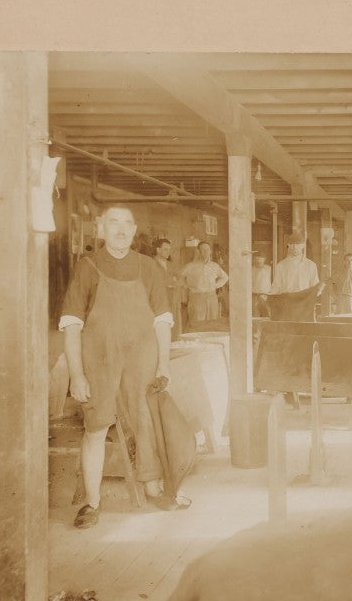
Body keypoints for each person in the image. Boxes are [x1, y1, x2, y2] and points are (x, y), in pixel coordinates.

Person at [60, 205, 186, 527]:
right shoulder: (87, 267)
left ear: (133, 231)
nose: (120, 229)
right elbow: (72, 324)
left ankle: (155, 488)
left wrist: (164, 365)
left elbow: (162, 321)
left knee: (146, 419)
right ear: (101, 229)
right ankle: (92, 502)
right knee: (96, 427)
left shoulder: (149, 268)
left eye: (126, 224)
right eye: (113, 222)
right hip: (99, 360)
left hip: (141, 359)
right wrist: (76, 374)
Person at [269, 231, 323, 321]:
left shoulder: (311, 265)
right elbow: (275, 288)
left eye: (298, 244)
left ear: (303, 246)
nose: (294, 247)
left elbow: (316, 290)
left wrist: (318, 289)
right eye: (292, 244)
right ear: (288, 245)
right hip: (287, 306)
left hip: (304, 307)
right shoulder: (281, 266)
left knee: (305, 333)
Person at [180, 240, 228, 325]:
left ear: (210, 251)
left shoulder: (214, 266)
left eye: (208, 249)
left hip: (211, 297)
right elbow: (179, 277)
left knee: (212, 323)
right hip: (197, 298)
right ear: (199, 251)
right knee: (196, 324)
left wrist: (215, 285)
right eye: (203, 249)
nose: (206, 252)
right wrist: (186, 286)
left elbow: (225, 277)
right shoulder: (190, 266)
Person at [153, 237, 182, 336]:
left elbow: (179, 279)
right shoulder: (150, 264)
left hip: (173, 300)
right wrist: (171, 280)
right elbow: (155, 282)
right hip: (159, 301)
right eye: (165, 249)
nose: (168, 252)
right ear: (158, 250)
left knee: (174, 328)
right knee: (161, 328)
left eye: (169, 249)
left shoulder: (171, 264)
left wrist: (173, 281)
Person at [251, 252, 272, 318]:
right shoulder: (250, 269)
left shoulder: (269, 269)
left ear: (264, 259)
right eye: (257, 259)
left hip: (265, 295)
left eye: (261, 259)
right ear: (254, 259)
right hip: (254, 295)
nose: (258, 261)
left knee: (266, 314)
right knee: (254, 314)